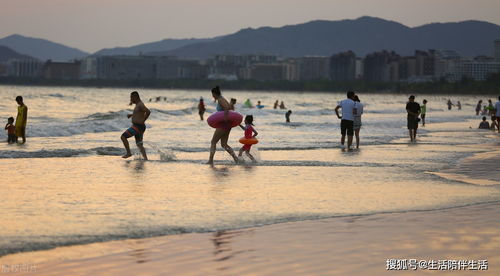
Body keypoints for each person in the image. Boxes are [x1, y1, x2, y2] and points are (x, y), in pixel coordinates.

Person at [207, 86, 239, 165]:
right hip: (227, 124)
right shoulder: (222, 99)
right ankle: (236, 159)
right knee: (224, 144)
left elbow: (227, 108)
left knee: (213, 141)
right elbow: (230, 108)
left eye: (212, 94)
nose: (212, 96)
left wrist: (225, 118)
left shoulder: (221, 99)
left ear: (214, 93)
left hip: (223, 124)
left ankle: (210, 160)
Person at [121, 91, 150, 160]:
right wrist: (132, 115)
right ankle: (145, 159)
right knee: (139, 144)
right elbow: (139, 113)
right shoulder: (138, 105)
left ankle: (128, 153)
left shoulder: (140, 104)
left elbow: (148, 111)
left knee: (123, 136)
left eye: (131, 98)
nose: (131, 99)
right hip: (140, 127)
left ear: (135, 97)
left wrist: (143, 120)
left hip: (138, 126)